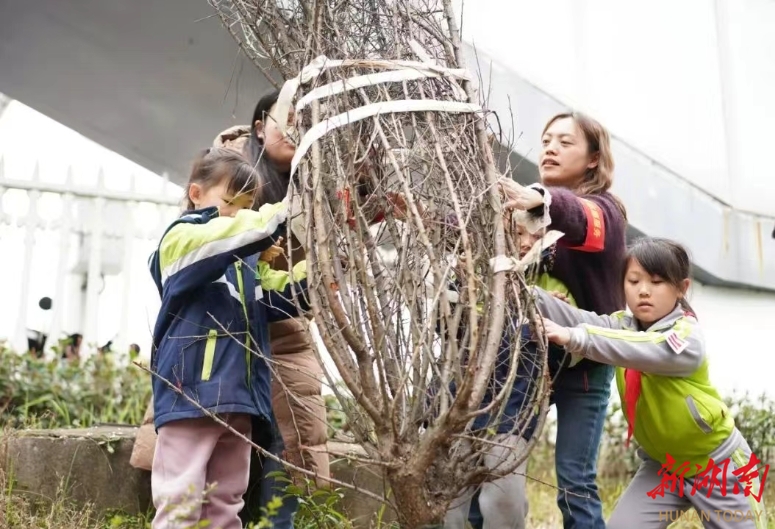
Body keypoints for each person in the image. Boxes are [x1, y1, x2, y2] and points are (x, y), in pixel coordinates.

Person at [533, 237, 767, 529]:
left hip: (718, 466)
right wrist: (528, 293)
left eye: (656, 282)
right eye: (633, 281)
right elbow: (582, 319)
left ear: (682, 289)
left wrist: (574, 337)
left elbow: (642, 346)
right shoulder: (623, 325)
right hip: (663, 467)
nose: (643, 291)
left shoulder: (685, 337)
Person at [148, 147, 310, 529]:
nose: (240, 214)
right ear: (196, 194)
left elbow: (289, 295)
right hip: (192, 396)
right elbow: (229, 235)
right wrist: (280, 213)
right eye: (231, 202)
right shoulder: (181, 242)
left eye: (248, 205)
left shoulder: (245, 262)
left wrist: (329, 268)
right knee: (180, 502)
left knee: (225, 505)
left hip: (240, 401)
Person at [499, 112, 627, 529]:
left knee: (575, 481)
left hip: (585, 363)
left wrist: (542, 199)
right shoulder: (529, 213)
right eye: (546, 140)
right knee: (498, 463)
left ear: (593, 158)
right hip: (532, 362)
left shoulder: (603, 210)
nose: (550, 148)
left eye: (565, 142)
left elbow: (577, 216)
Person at [213, 90, 329, 528]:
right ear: (260, 126)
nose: (297, 127)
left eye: (308, 120)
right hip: (225, 334)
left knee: (288, 454)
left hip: (286, 336)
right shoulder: (225, 175)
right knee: (221, 455)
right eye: (288, 117)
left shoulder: (317, 183)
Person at [444, 223, 577, 529]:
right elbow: (448, 332)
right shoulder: (474, 276)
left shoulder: (554, 284)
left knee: (505, 497)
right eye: (518, 233)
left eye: (537, 235)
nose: (526, 242)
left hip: (516, 412)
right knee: (449, 494)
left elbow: (566, 354)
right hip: (461, 402)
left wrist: (547, 310)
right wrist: (464, 291)